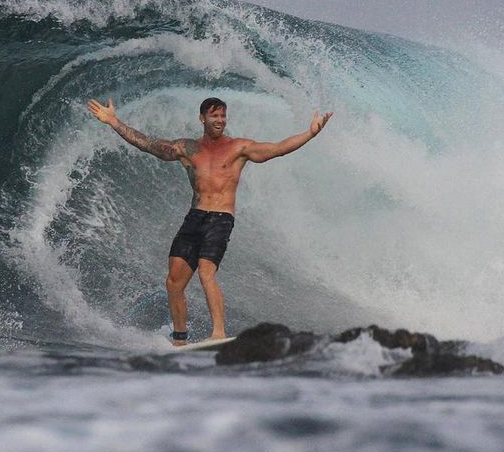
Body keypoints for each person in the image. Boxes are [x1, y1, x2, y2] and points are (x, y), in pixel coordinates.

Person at [87, 96, 333, 345]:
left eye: (223, 116)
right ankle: (179, 340)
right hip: (194, 218)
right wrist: (114, 122)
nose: (220, 120)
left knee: (206, 272)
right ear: (202, 118)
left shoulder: (239, 148)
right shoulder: (187, 148)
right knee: (173, 282)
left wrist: (309, 134)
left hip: (220, 218)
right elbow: (149, 145)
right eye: (215, 116)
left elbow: (277, 148)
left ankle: (218, 333)